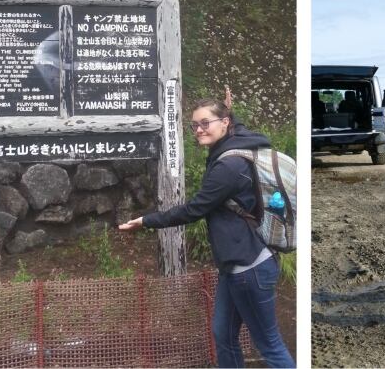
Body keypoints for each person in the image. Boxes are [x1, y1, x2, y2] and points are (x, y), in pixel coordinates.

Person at [118, 97, 295, 368]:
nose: (199, 130)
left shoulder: (228, 167)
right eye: (194, 125)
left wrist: (146, 221)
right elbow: (237, 124)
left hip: (249, 267)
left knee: (268, 344)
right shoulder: (240, 140)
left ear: (225, 124)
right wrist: (229, 108)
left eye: (205, 123)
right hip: (235, 266)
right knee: (222, 334)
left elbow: (194, 210)